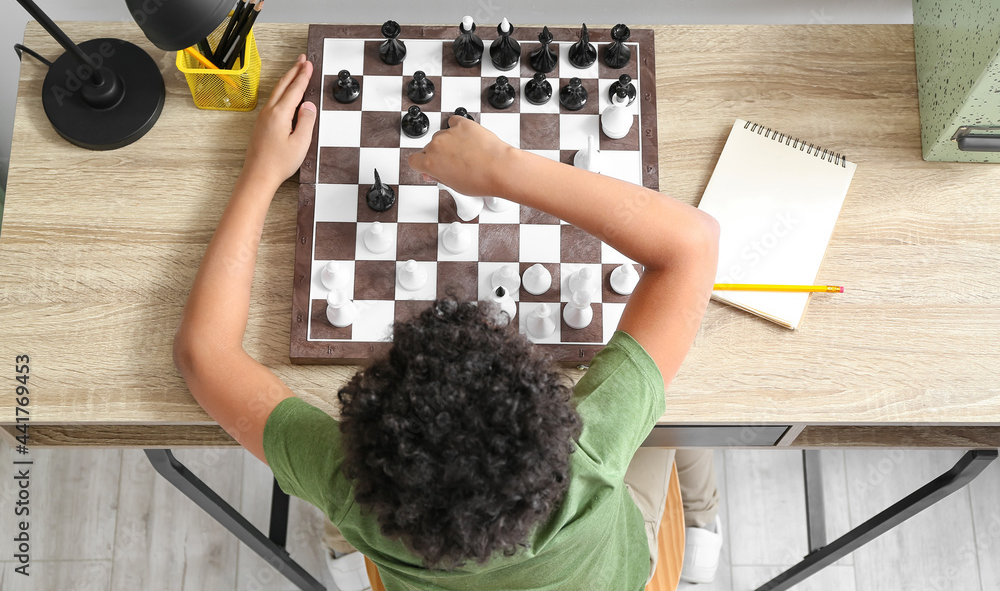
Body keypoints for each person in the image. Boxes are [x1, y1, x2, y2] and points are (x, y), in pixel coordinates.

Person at [173, 56, 724, 590]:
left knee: (337, 516)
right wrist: (505, 168)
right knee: (676, 421)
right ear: (562, 422)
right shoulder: (589, 462)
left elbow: (203, 354)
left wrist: (260, 173)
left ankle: (346, 553)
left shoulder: (357, 497)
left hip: (388, 544)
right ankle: (703, 518)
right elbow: (692, 245)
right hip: (622, 574)